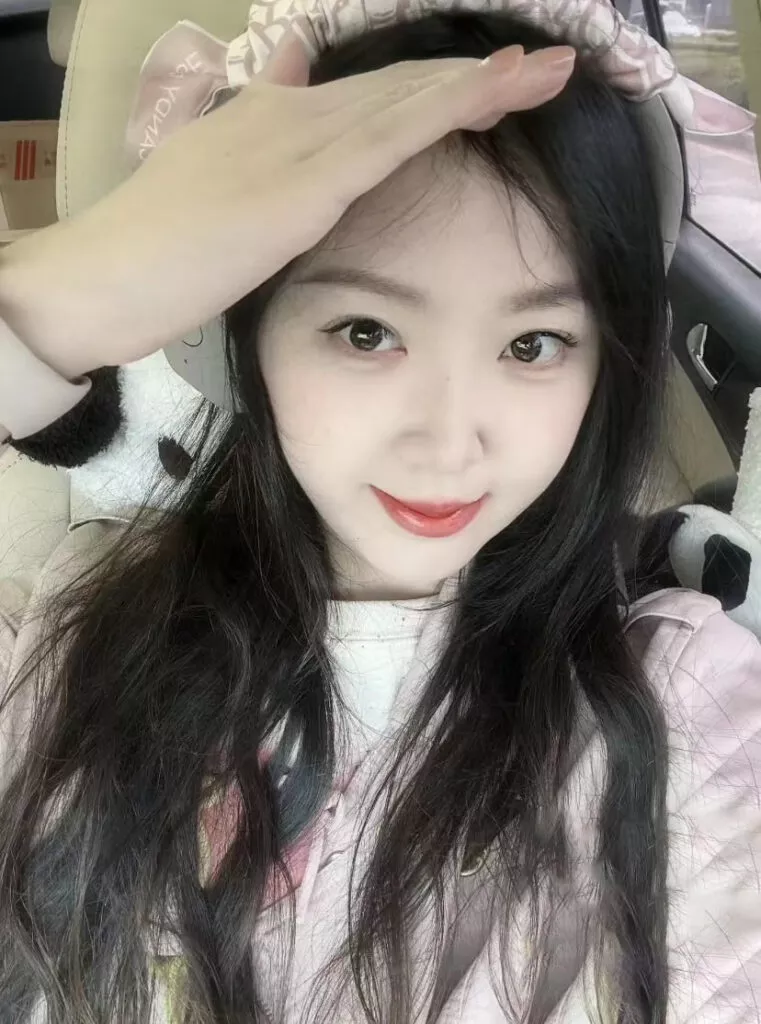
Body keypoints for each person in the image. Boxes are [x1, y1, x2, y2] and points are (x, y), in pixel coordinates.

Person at [0, 9, 758, 1024]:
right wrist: (57, 297)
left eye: (533, 344)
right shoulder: (66, 644)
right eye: (366, 332)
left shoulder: (680, 710)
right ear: (241, 339)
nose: (447, 444)